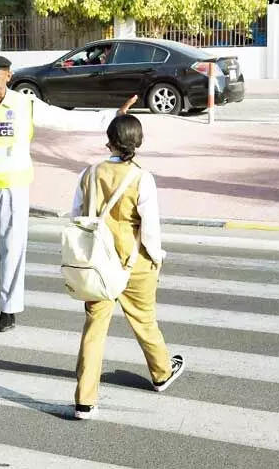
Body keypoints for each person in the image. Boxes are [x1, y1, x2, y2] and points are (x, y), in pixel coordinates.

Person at [0, 54, 137, 333]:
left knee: (12, 249)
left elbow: (65, 119)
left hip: (14, 188)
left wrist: (112, 116)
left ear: (8, 77)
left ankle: (8, 310)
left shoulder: (25, 104)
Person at [69, 114, 185, 420]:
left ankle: (84, 400)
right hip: (134, 263)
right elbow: (150, 230)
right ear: (139, 142)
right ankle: (161, 373)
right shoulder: (142, 178)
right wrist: (157, 257)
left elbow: (76, 214)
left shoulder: (89, 173)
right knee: (144, 320)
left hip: (97, 264)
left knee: (94, 329)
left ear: (108, 141)